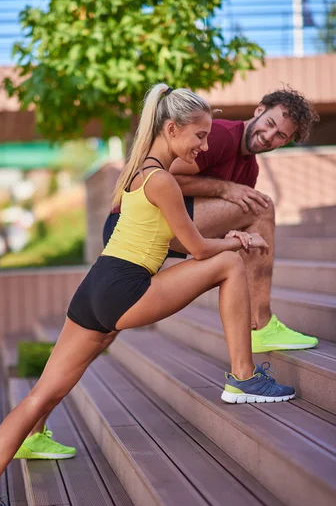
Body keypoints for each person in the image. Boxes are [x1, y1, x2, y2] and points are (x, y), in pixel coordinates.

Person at [0, 84, 295, 506]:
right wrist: (238, 239)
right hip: (124, 289)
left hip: (93, 289)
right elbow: (195, 250)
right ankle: (243, 378)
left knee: (43, 394)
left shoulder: (139, 171)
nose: (206, 146)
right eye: (199, 136)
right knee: (230, 263)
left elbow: (175, 243)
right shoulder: (164, 181)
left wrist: (230, 238)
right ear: (171, 129)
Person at [103, 88, 320, 353]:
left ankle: (251, 330)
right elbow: (160, 177)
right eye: (270, 124)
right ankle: (262, 326)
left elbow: (229, 229)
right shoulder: (219, 136)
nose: (269, 136)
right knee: (262, 207)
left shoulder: (250, 168)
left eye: (281, 136)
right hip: (132, 223)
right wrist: (223, 189)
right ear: (259, 110)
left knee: (103, 328)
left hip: (166, 234)